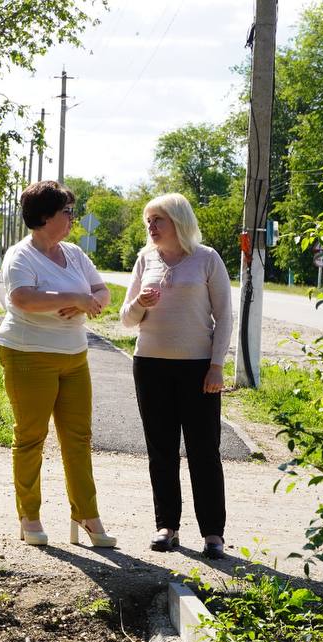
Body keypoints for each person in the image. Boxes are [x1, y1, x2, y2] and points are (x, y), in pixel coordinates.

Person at [0, 180, 116, 548]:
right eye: (67, 211)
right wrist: (74, 296)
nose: (72, 217)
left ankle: (86, 515)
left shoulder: (75, 254)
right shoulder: (21, 256)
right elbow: (22, 299)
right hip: (28, 355)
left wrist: (89, 299)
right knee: (31, 438)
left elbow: (103, 291)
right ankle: (29, 516)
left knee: (78, 439)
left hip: (74, 356)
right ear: (45, 216)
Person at [120, 193, 233, 559]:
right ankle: (167, 525)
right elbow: (126, 318)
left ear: (178, 222)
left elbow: (225, 316)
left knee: (204, 450)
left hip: (198, 367)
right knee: (161, 450)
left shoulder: (207, 258)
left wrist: (216, 364)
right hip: (150, 364)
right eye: (148, 221)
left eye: (158, 220)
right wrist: (141, 304)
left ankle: (213, 533)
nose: (151, 227)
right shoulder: (145, 259)